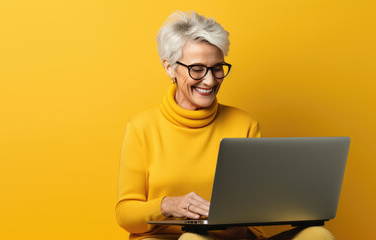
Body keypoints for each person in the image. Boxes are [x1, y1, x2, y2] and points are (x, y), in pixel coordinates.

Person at [116, 10, 336, 240]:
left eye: (217, 68)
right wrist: (166, 205)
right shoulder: (141, 127)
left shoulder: (245, 124)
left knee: (317, 234)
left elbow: (255, 215)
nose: (210, 81)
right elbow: (125, 214)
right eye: (197, 69)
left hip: (233, 237)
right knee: (194, 239)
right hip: (169, 238)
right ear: (169, 67)